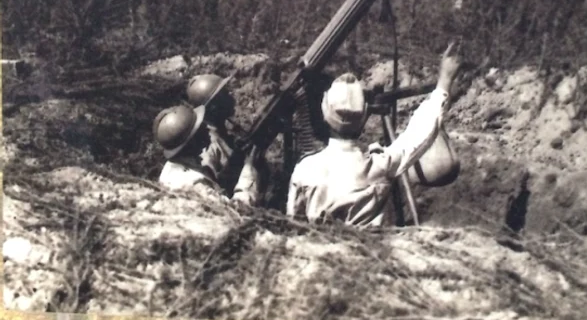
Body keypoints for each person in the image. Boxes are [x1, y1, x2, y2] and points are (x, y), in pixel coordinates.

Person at [286, 43, 464, 227]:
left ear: (324, 114)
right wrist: (444, 82)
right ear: (364, 117)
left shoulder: (304, 169)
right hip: (370, 250)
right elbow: (417, 135)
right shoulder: (379, 165)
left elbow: (292, 224)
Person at [152, 104, 262, 206]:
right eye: (201, 130)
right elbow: (236, 210)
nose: (208, 132)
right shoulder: (196, 185)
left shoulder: (171, 169)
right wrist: (249, 170)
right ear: (193, 141)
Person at [186, 73, 269, 199]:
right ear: (213, 107)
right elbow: (212, 191)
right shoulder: (209, 147)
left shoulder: (222, 133)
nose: (231, 97)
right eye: (224, 95)